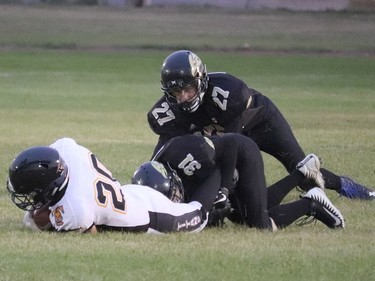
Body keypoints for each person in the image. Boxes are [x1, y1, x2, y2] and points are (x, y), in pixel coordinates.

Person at [147, 50, 374, 200]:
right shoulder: (168, 112)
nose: (184, 97)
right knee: (238, 192)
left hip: (261, 124)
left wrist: (223, 188)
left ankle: (347, 186)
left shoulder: (228, 93)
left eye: (188, 89)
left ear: (201, 80)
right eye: (176, 91)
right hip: (227, 137)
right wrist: (149, 183)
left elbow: (233, 145)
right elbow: (163, 154)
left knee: (303, 175)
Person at [132, 133, 345, 230]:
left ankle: (312, 204)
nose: (175, 200)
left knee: (259, 224)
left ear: (170, 178)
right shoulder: (158, 170)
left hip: (240, 154)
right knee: (243, 213)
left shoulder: (187, 154)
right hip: (216, 170)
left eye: (173, 195)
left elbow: (231, 142)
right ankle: (302, 174)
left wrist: (223, 188)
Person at [6, 137, 207, 234]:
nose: (32, 199)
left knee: (199, 214)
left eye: (34, 193)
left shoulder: (76, 208)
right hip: (127, 194)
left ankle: (221, 177)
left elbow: (91, 234)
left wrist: (47, 220)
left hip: (151, 216)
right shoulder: (66, 150)